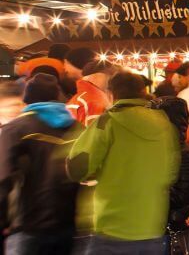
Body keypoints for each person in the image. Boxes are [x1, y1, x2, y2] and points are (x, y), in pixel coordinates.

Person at [67, 71, 180, 252]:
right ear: (143, 92)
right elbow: (172, 174)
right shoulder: (166, 125)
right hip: (151, 226)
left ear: (111, 94)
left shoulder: (107, 122)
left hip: (111, 226)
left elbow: (77, 168)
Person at [0, 74, 81, 253]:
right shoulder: (76, 127)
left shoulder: (15, 129)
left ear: (27, 99)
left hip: (27, 226)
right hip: (67, 224)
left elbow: (3, 178)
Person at [151, 96, 189, 234]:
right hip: (157, 226)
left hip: (169, 228)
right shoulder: (164, 148)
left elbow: (180, 198)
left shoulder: (183, 154)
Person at [66, 60, 116, 126]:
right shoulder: (95, 101)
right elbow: (98, 133)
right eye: (109, 76)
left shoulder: (78, 99)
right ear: (96, 76)